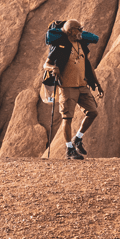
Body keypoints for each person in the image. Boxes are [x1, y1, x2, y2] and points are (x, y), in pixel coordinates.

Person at [45, 19, 103, 160]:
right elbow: (46, 64)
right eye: (79, 29)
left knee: (93, 112)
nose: (81, 31)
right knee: (67, 118)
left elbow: (88, 65)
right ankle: (69, 149)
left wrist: (97, 83)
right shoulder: (60, 46)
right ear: (70, 31)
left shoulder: (81, 44)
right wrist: (53, 68)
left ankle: (77, 138)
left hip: (82, 86)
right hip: (67, 88)